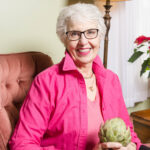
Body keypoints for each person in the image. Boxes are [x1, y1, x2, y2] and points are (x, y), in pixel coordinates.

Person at [9, 3, 141, 150]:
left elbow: (129, 131)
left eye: (91, 32)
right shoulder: (46, 82)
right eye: (74, 34)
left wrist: (131, 146)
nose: (83, 42)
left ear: (100, 36)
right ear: (64, 39)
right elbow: (22, 143)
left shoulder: (111, 79)